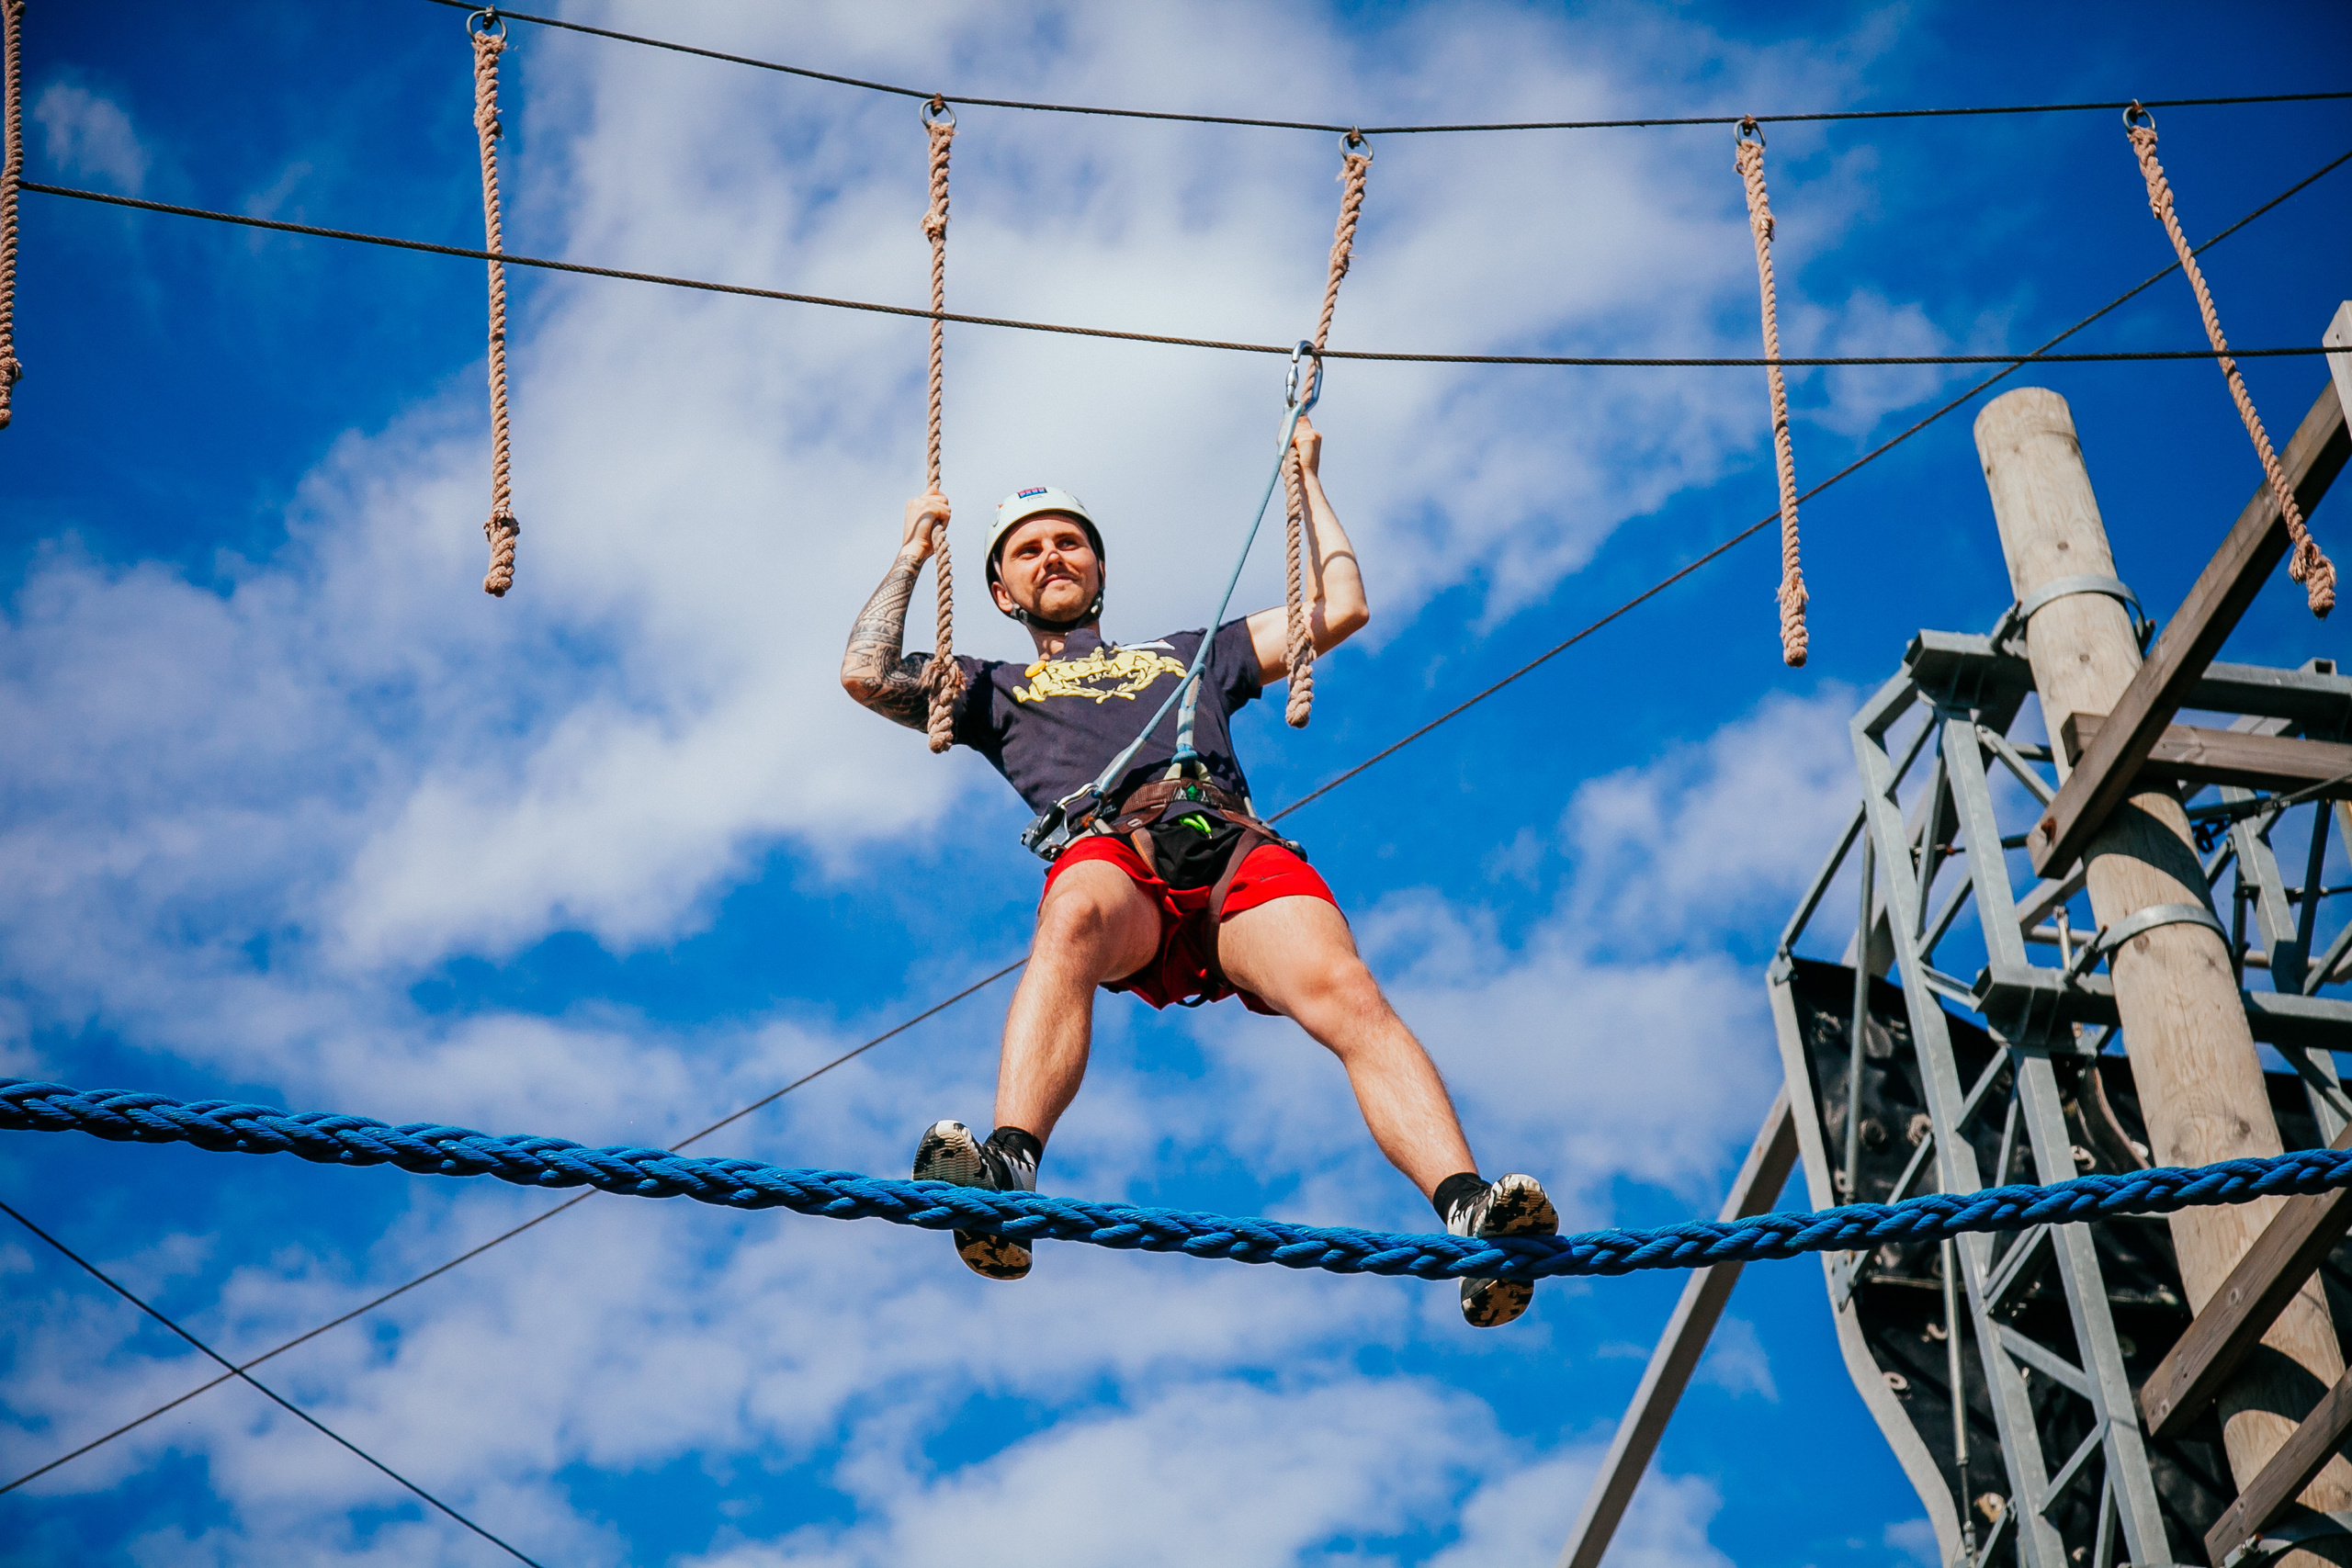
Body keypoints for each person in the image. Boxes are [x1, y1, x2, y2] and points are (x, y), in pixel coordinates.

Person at [840, 417, 1556, 1327]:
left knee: (1344, 988)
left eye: (1068, 543)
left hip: (1224, 848)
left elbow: (1341, 610)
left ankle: (1469, 1213)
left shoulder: (1190, 654)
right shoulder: (991, 687)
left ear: (1098, 571)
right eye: (1028, 550)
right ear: (1000, 587)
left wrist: (1306, 486)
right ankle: (1009, 1170)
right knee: (1072, 912)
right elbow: (865, 675)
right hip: (1117, 860)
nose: (1051, 556)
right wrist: (910, 554)